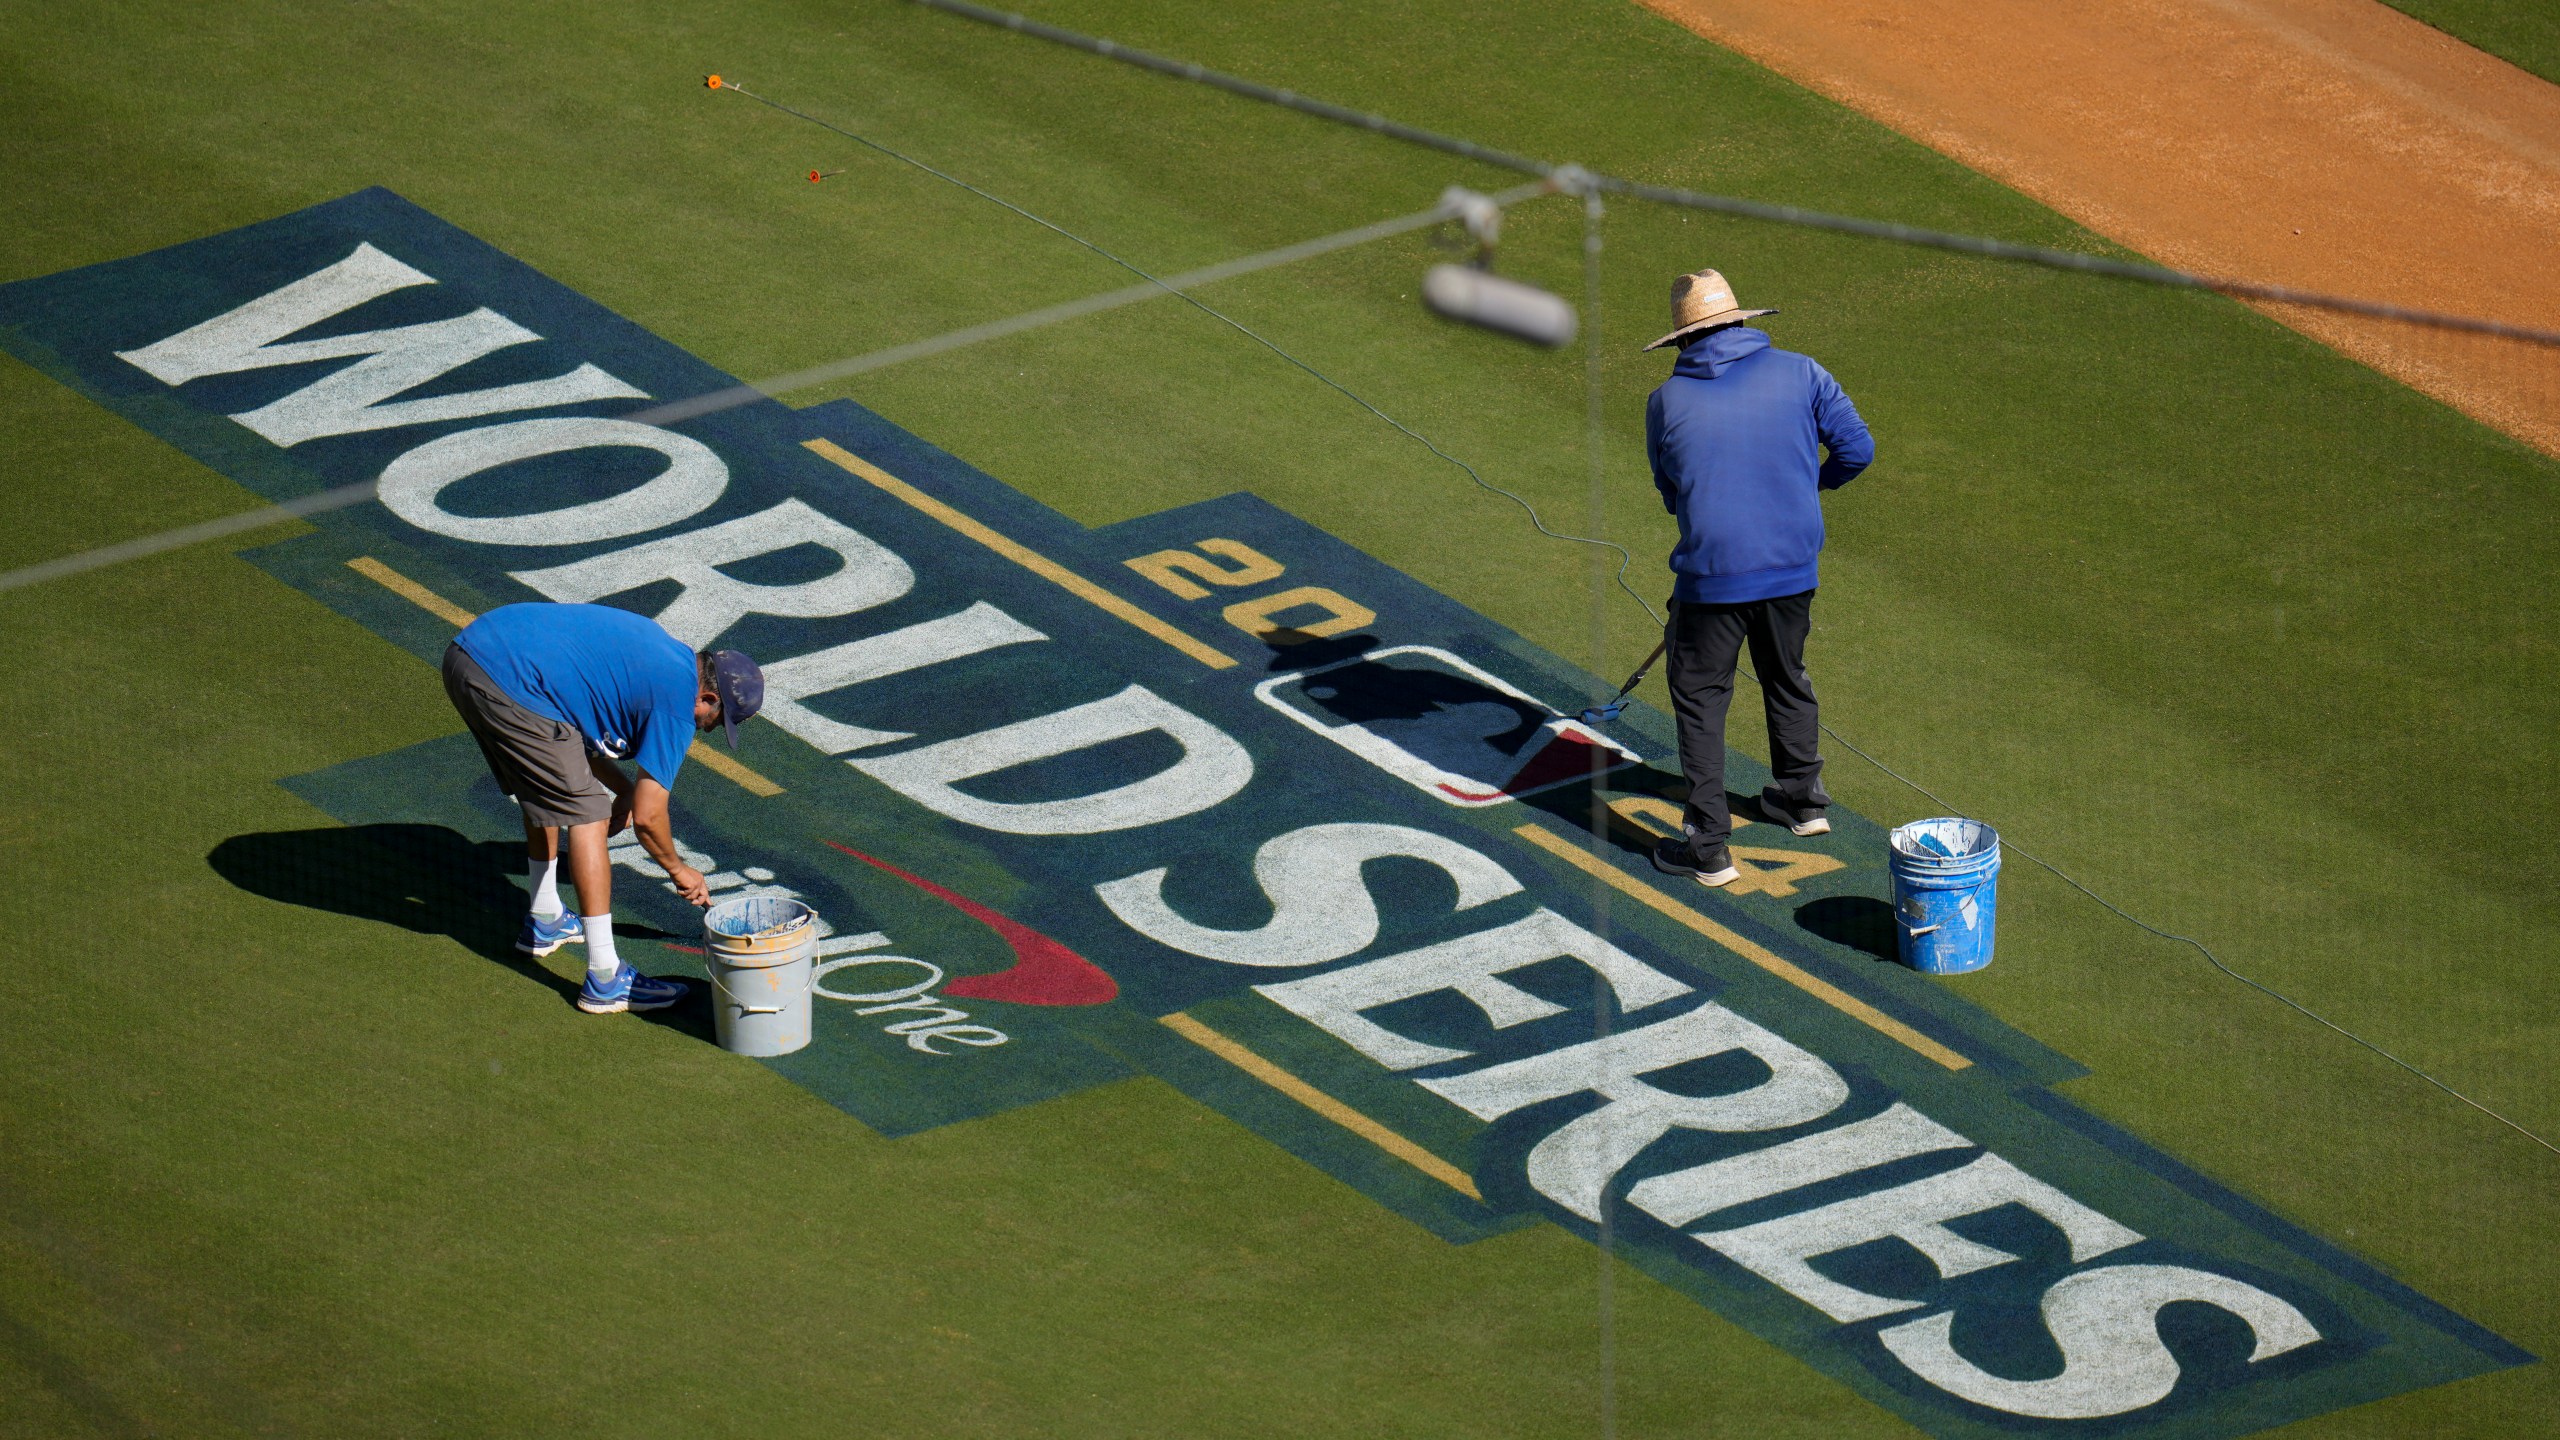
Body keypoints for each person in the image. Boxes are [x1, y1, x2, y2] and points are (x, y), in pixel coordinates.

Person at [1640, 267, 1873, 888]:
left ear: (1683, 340)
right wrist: (1805, 487)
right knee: (1786, 675)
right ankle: (1801, 802)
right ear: (1741, 322)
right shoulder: (1803, 372)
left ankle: (1709, 847)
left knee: (1700, 700)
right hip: (1792, 570)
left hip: (1711, 580)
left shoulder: (1665, 402)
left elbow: (1673, 494)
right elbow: (1858, 450)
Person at [440, 602, 764, 1013]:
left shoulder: (661, 657)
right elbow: (648, 819)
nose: (710, 730)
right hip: (512, 680)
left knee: (546, 787)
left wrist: (624, 789)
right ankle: (605, 978)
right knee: (589, 813)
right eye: (717, 721)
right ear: (707, 696)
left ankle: (545, 919)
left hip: (471, 655)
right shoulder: (675, 703)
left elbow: (571, 740)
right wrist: (679, 869)